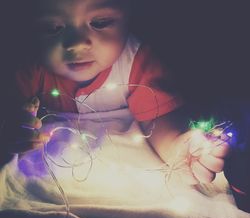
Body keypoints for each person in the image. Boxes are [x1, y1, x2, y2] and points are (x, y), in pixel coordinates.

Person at [0, 0, 229, 191]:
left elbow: (158, 120)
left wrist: (178, 150)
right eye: (52, 28)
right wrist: (12, 127)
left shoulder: (137, 62)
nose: (76, 44)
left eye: (100, 23)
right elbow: (10, 111)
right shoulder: (30, 67)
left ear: (129, 16)